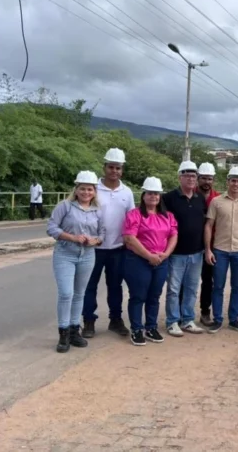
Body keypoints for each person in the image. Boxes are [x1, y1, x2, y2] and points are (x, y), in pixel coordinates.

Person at [47, 171, 105, 353]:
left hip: (87, 255)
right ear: (76, 189)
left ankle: (74, 330)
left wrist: (96, 240)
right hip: (65, 254)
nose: (86, 192)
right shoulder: (65, 206)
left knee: (80, 294)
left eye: (90, 189)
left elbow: (102, 232)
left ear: (94, 191)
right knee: (66, 293)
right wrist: (72, 237)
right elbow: (51, 227)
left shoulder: (98, 210)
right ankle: (63, 333)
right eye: (82, 189)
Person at [82, 148, 135, 339]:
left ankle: (116, 320)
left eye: (118, 168)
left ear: (122, 170)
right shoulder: (93, 188)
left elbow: (132, 219)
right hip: (93, 248)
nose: (114, 171)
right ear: (104, 167)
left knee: (115, 286)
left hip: (118, 248)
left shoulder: (126, 192)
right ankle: (88, 321)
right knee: (90, 286)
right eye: (111, 167)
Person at [123, 177, 177, 346]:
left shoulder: (167, 216)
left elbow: (173, 235)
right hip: (138, 260)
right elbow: (129, 238)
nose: (153, 196)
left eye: (156, 193)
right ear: (144, 195)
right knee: (138, 295)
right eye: (150, 193)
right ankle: (136, 329)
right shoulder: (134, 214)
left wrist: (166, 254)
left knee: (154, 295)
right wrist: (148, 256)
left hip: (161, 260)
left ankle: (151, 327)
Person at [204, 166, 238, 334]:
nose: (236, 184)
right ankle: (217, 319)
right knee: (218, 286)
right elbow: (208, 225)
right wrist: (208, 249)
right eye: (233, 181)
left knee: (237, 286)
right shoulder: (216, 202)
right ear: (228, 182)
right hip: (220, 250)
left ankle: (234, 319)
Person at [163, 161, 207, 336]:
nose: (190, 178)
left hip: (197, 252)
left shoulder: (200, 198)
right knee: (174, 290)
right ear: (179, 177)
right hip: (176, 253)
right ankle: (172, 321)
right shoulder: (168, 198)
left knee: (191, 288)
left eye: (193, 175)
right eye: (187, 175)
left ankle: (188, 320)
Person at [196, 162, 220, 326]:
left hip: (211, 247)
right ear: (198, 178)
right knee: (185, 282)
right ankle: (182, 314)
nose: (206, 182)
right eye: (203, 178)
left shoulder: (217, 199)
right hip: (190, 246)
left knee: (208, 281)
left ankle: (205, 312)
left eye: (209, 179)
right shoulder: (191, 195)